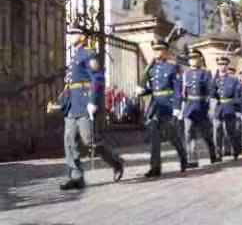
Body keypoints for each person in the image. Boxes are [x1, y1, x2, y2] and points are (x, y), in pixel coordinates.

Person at [47, 24, 124, 190]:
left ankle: (116, 162)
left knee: (90, 140)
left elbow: (97, 80)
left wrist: (93, 101)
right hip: (73, 105)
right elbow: (70, 86)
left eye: (74, 33)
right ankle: (76, 177)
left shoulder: (89, 54)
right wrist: (60, 104)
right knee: (69, 140)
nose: (70, 36)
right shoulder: (74, 57)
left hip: (84, 103)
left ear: (82, 36)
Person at [135, 39, 187, 177]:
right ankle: (155, 167)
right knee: (154, 137)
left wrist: (177, 106)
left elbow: (177, 89)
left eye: (159, 49)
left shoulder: (172, 67)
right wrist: (142, 90)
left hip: (167, 105)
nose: (156, 52)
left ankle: (183, 156)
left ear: (166, 52)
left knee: (171, 135)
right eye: (155, 50)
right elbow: (152, 89)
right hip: (155, 106)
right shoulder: (151, 70)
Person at [182, 49, 217, 168]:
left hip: (201, 106)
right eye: (191, 58)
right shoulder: (186, 74)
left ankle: (213, 153)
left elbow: (211, 91)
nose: (192, 60)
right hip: (189, 107)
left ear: (200, 59)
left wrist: (211, 109)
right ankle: (192, 158)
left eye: (195, 58)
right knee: (188, 133)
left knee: (206, 134)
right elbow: (183, 93)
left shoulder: (206, 73)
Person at [210, 56, 242, 161]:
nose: (221, 66)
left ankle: (234, 150)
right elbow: (212, 95)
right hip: (218, 109)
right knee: (217, 131)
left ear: (227, 66)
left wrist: (237, 110)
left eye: (223, 64)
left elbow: (237, 96)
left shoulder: (233, 80)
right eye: (219, 64)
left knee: (230, 131)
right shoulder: (215, 80)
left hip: (230, 108)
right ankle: (218, 152)